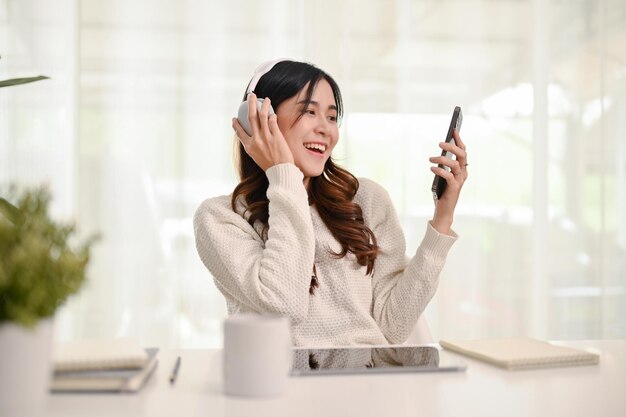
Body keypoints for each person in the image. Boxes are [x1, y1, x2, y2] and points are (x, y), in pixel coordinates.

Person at [193, 59, 468, 346]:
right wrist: (284, 175)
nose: (326, 129)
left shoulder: (367, 201)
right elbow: (283, 303)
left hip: (370, 381)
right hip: (284, 386)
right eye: (309, 112)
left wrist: (443, 218)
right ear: (259, 119)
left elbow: (394, 327)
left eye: (332, 117)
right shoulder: (220, 219)